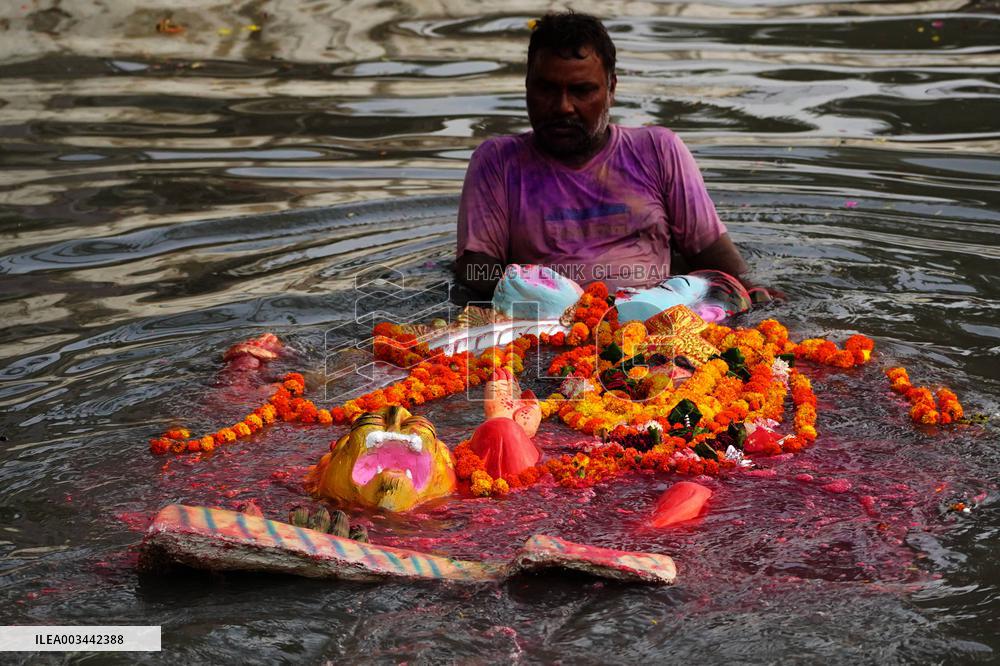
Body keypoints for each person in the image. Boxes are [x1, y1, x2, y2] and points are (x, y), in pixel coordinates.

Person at [455, 11, 764, 298]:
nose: (563, 106)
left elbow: (714, 257)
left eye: (582, 90)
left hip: (654, 317)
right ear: (527, 86)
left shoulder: (659, 150)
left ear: (611, 89)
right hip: (548, 324)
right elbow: (475, 271)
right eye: (546, 89)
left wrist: (755, 295)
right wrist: (550, 299)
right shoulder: (499, 162)